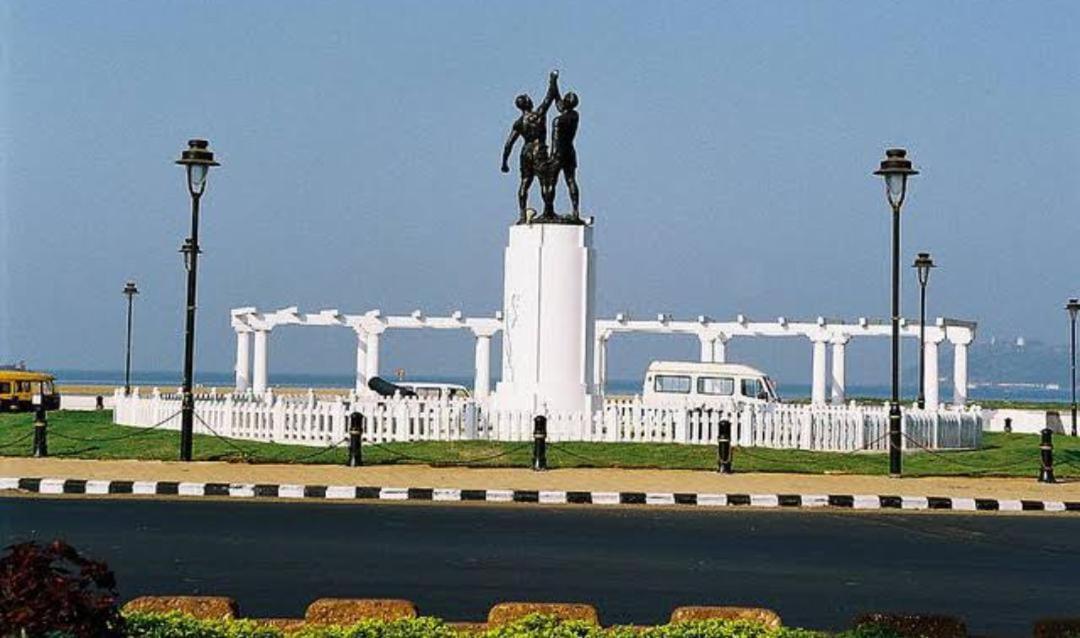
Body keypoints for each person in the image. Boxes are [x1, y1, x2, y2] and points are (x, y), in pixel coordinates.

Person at [501, 70, 560, 223]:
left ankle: (522, 215)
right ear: (528, 103)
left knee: (525, 183)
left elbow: (509, 144)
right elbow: (549, 97)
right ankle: (548, 211)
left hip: (525, 151)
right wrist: (553, 80)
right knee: (545, 181)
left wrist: (505, 162)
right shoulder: (539, 114)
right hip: (539, 149)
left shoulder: (519, 123)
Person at [550, 91, 580, 220]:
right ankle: (575, 210)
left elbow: (554, 140)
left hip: (558, 153)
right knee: (571, 180)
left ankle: (549, 210)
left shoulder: (558, 120)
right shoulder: (575, 115)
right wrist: (554, 87)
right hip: (570, 151)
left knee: (551, 181)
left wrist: (552, 156)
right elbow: (560, 105)